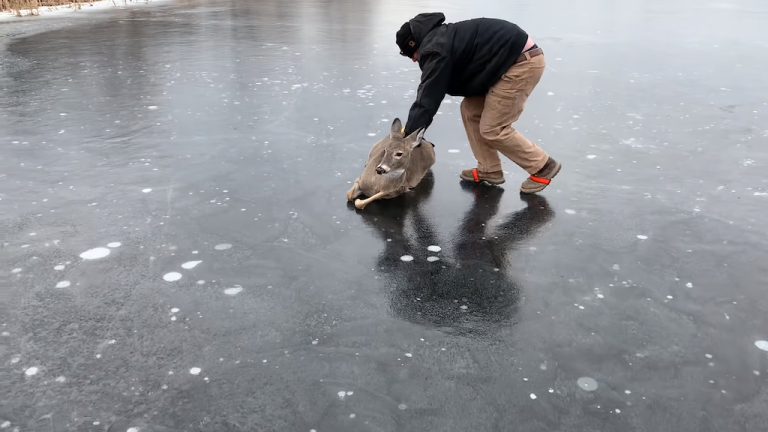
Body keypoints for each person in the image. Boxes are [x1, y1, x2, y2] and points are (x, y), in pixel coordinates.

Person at [396, 12, 561, 194]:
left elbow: (428, 95)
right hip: (504, 62)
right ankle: (489, 169)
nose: (412, 59)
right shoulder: (440, 38)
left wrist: (410, 135)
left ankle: (543, 166)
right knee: (470, 109)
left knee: (493, 128)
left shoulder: (434, 48)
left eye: (409, 53)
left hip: (520, 63)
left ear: (414, 43)